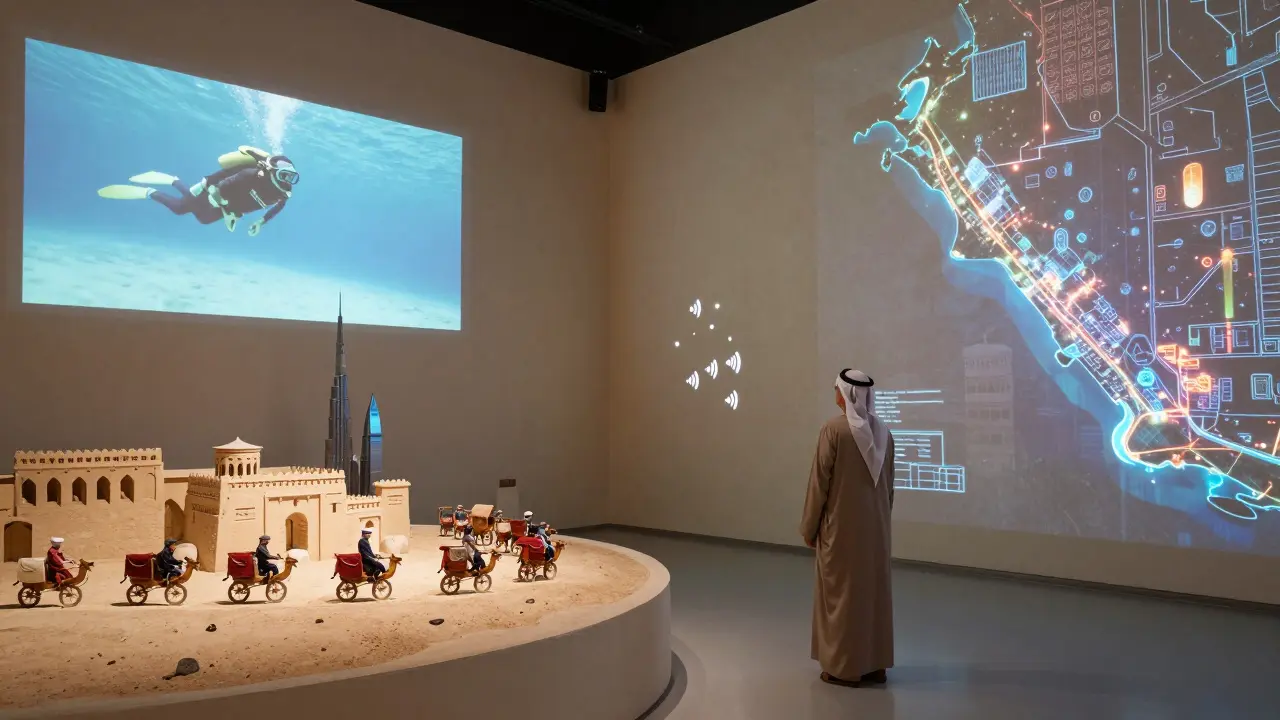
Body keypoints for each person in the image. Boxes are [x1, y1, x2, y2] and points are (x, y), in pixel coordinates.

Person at [800, 368, 896, 688]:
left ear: (847, 394)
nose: (835, 395)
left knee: (842, 597)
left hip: (840, 531)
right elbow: (890, 489)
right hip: (876, 532)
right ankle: (875, 665)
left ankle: (844, 668)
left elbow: (819, 484)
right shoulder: (884, 432)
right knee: (872, 595)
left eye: (837, 390)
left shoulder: (834, 430)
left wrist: (809, 527)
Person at [96, 146, 298, 236]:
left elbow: (278, 207)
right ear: (270, 171)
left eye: (290, 178)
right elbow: (219, 189)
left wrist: (261, 222)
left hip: (231, 206)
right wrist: (228, 213)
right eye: (283, 176)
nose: (287, 182)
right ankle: (152, 190)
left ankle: (175, 181)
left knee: (203, 219)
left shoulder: (282, 193)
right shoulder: (249, 174)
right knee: (180, 208)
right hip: (211, 189)